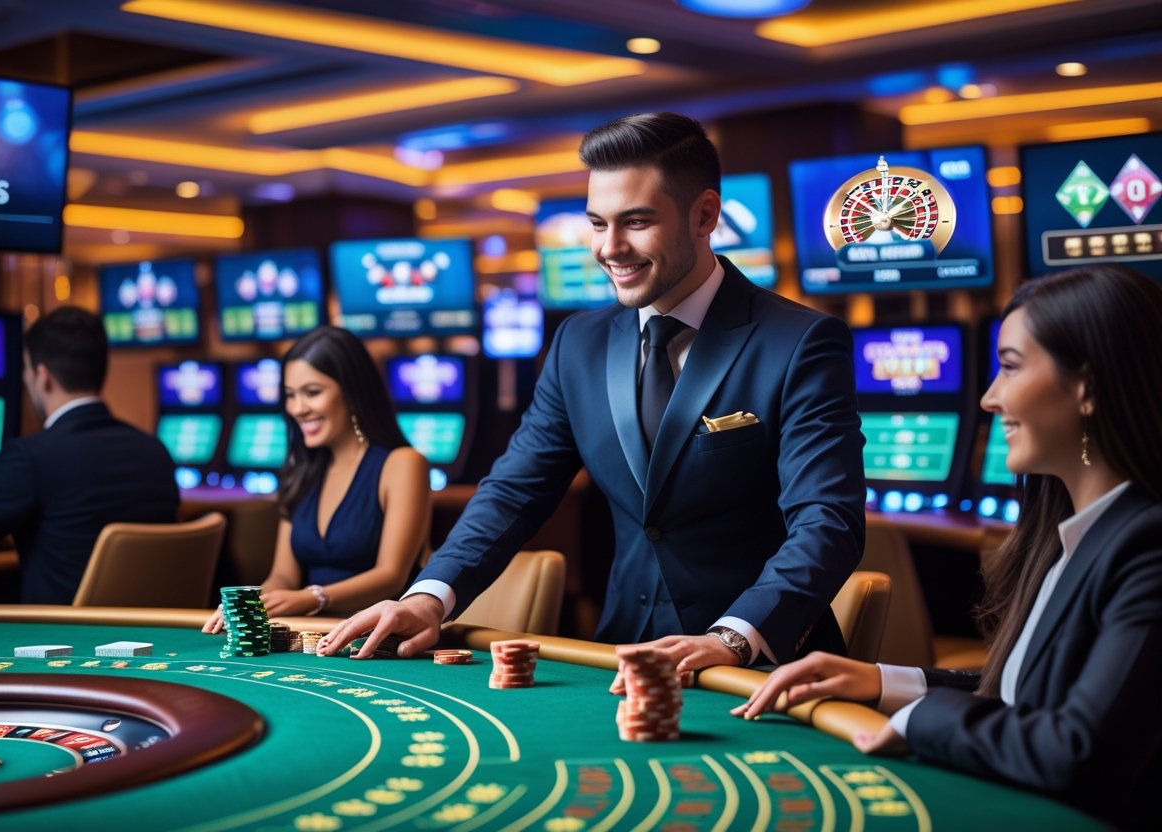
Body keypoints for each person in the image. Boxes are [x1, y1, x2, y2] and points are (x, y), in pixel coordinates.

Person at [319, 112, 866, 671]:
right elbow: (514, 492)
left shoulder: (800, 341)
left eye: (636, 222)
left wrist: (732, 637)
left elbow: (827, 520)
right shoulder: (577, 342)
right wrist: (428, 596)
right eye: (597, 224)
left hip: (764, 668)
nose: (610, 248)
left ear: (705, 215)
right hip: (621, 652)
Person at [733, 264, 1162, 830]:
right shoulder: (1071, 534)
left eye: (1011, 367)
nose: (988, 398)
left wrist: (920, 719)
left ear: (1087, 386)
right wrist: (884, 681)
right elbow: (1026, 692)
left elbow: (1079, 751)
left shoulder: (1147, 547)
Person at [0, 306, 179, 603]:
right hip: (154, 627)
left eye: (26, 369)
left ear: (42, 376)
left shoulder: (29, 457)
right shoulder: (155, 452)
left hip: (60, 630)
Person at [203, 327, 429, 630]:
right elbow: (283, 576)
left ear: (352, 390)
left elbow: (392, 576)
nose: (297, 408)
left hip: (380, 637)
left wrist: (314, 597)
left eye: (312, 392)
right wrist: (251, 603)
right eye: (290, 395)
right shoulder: (301, 469)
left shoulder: (402, 464)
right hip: (311, 636)